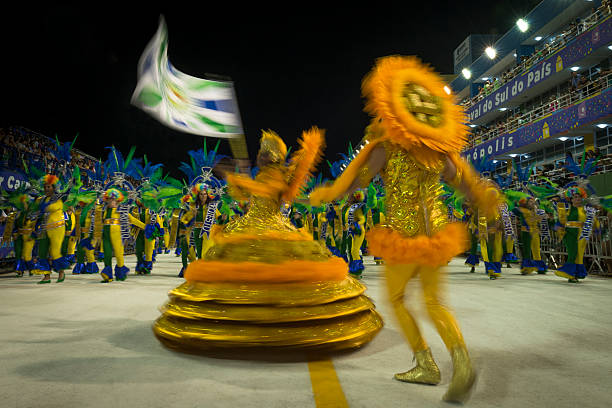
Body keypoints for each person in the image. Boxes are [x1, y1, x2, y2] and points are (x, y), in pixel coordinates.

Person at [309, 56, 502, 403]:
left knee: (396, 299)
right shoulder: (438, 152)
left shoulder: (387, 147)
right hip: (436, 236)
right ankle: (460, 361)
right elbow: (469, 186)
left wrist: (329, 193)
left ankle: (426, 363)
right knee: (434, 302)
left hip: (404, 236)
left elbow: (354, 180)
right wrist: (487, 199)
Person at [153, 128, 383, 352]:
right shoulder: (261, 174)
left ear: (270, 157)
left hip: (271, 225)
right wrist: (235, 180)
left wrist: (239, 178)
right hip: (248, 223)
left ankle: (276, 323)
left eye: (261, 154)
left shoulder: (278, 176)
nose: (258, 157)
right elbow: (247, 196)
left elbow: (268, 190)